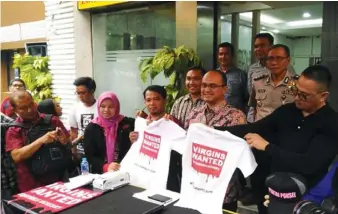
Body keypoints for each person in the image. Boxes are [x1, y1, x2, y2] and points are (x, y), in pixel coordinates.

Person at [216, 65, 338, 214]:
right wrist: (212, 131)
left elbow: (308, 164)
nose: (297, 97)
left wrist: (267, 146)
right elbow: (255, 128)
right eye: (295, 90)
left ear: (323, 96)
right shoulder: (287, 111)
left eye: (304, 95)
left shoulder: (331, 123)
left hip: (304, 198)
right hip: (271, 191)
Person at [185, 70, 247, 212]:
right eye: (204, 85)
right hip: (196, 187)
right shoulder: (194, 114)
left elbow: (239, 154)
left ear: (225, 89)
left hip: (223, 191)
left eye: (212, 86)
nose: (206, 89)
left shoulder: (236, 117)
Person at [5, 91, 71, 192]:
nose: (29, 109)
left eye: (31, 104)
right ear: (14, 110)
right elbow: (16, 156)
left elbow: (68, 143)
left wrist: (64, 142)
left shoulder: (52, 120)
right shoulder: (14, 129)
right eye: (23, 108)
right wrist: (41, 141)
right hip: (31, 184)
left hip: (59, 179)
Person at [129, 85, 182, 193]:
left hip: (167, 178)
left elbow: (180, 152)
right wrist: (133, 140)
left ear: (165, 101)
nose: (152, 103)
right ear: (144, 103)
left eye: (156, 99)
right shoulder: (141, 124)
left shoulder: (172, 123)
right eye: (148, 100)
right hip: (142, 176)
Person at [247, 33, 296, 122]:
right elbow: (253, 101)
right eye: (256, 46)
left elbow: (292, 87)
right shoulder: (253, 70)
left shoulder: (288, 71)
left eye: (262, 45)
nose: (274, 63)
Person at [83, 92, 134, 174]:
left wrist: (143, 116)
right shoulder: (92, 127)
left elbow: (145, 126)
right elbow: (90, 155)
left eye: (111, 107)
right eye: (103, 106)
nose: (106, 110)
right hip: (100, 174)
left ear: (116, 107)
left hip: (124, 170)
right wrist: (105, 166)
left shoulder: (126, 123)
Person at [68, 77, 98, 156]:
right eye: (78, 93)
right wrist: (74, 152)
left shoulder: (101, 107)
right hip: (81, 151)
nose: (80, 96)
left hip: (98, 151)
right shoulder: (74, 108)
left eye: (83, 93)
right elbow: (73, 132)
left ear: (92, 91)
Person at [216, 42, 249, 113]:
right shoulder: (214, 75)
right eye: (221, 54)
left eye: (226, 54)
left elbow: (247, 98)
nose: (223, 57)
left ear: (232, 56)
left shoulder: (241, 75)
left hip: (235, 117)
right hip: (216, 115)